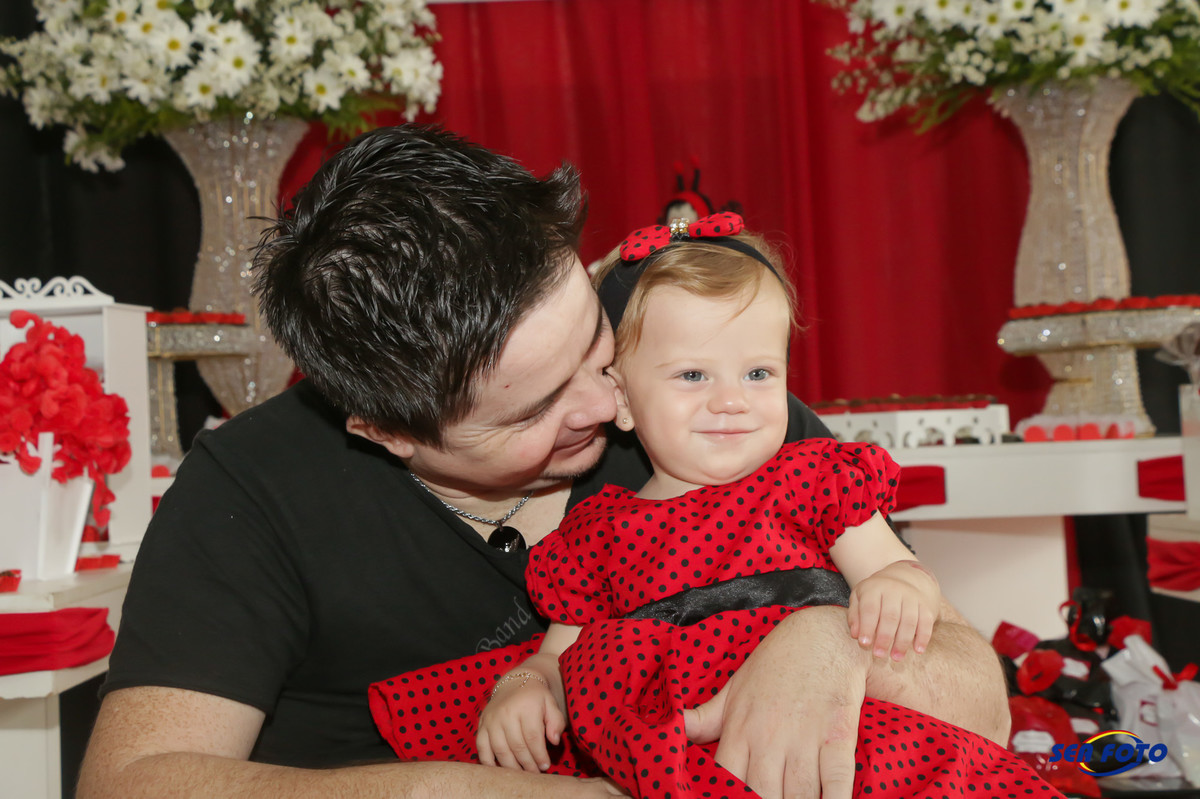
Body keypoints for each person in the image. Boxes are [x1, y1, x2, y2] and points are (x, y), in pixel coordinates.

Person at [78, 125, 1009, 799]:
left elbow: (982, 701)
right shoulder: (256, 489)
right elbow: (131, 781)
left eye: (594, 344)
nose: (607, 406)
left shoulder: (706, 410)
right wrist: (441, 789)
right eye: (534, 409)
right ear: (387, 429)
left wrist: (826, 639)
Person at [382, 216, 1058, 798]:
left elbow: (895, 571)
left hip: (846, 737)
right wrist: (525, 684)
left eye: (758, 372)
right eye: (692, 375)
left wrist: (901, 588)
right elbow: (559, 654)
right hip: (682, 755)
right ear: (620, 399)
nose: (731, 399)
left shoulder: (811, 477)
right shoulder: (598, 534)